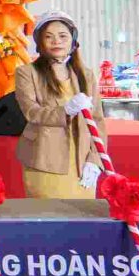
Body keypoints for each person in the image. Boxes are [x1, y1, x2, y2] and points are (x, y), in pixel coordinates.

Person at [12, 11, 101, 199]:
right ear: (40, 42)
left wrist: (95, 159)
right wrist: (65, 111)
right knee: (49, 213)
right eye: (49, 37)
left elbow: (97, 121)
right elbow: (32, 112)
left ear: (73, 40)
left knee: (83, 214)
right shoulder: (26, 73)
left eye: (63, 36)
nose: (56, 42)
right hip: (44, 161)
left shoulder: (86, 75)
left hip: (81, 162)